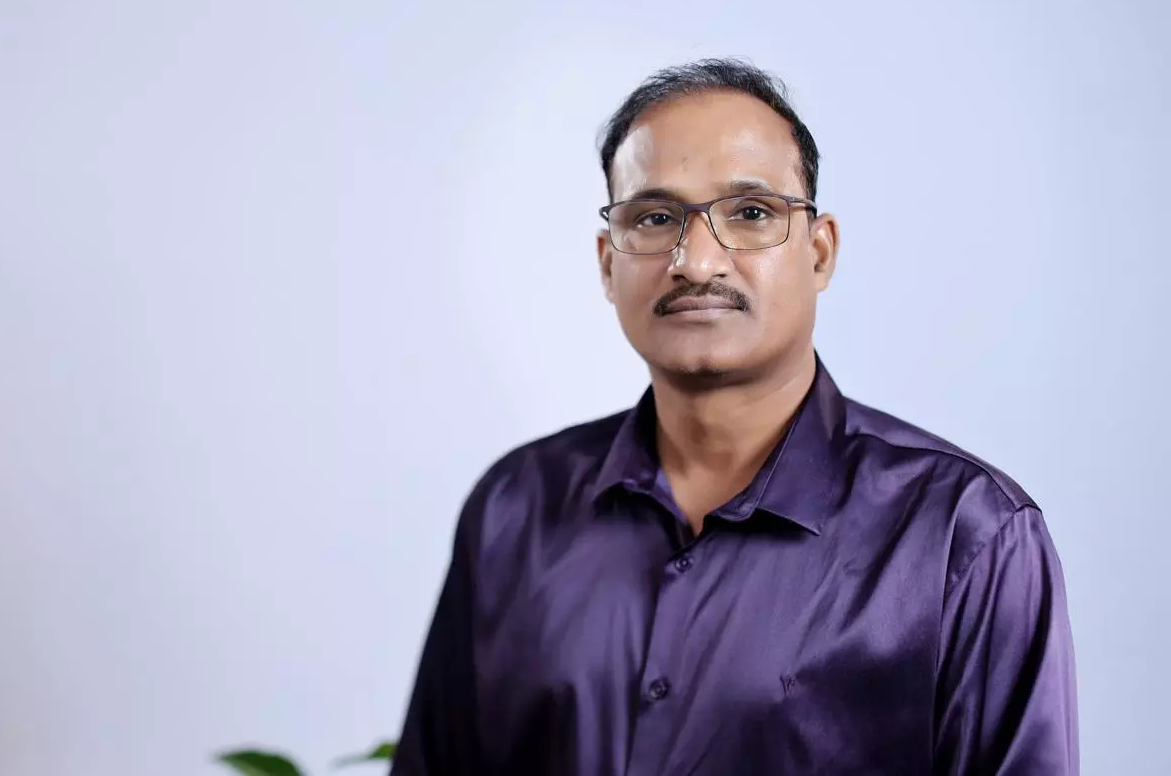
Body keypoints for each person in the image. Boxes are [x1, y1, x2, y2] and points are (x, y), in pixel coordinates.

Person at [390, 58, 1078, 775]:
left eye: (750, 213)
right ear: (606, 263)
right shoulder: (514, 508)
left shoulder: (966, 534)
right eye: (655, 218)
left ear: (820, 252)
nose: (695, 262)